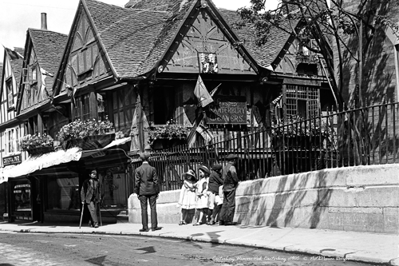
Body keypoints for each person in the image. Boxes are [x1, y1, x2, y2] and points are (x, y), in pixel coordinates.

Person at [134, 152, 162, 232]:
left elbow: (137, 182)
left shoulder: (138, 169)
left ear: (141, 159)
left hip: (142, 191)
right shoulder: (152, 169)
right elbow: (156, 181)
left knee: (143, 209)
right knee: (153, 208)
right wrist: (157, 191)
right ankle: (154, 226)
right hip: (152, 190)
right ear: (148, 159)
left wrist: (137, 192)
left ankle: (145, 227)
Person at [219, 154, 239, 226]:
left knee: (225, 204)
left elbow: (223, 177)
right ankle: (228, 220)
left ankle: (221, 219)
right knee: (231, 204)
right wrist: (237, 181)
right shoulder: (232, 167)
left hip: (225, 187)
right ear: (233, 160)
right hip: (231, 187)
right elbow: (234, 175)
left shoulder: (225, 167)